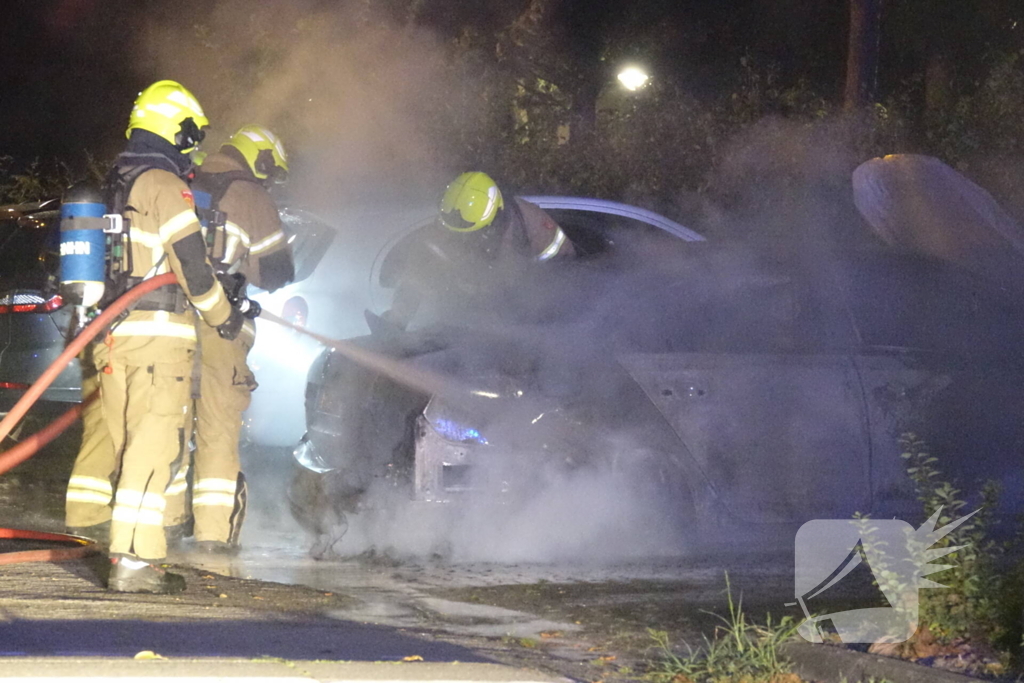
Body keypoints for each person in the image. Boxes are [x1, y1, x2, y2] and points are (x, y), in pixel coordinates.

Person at [65, 79, 240, 593]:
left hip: (114, 337)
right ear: (175, 127)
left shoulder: (117, 181)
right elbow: (192, 266)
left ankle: (130, 551)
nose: (194, 147)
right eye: (192, 134)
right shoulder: (164, 185)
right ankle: (136, 563)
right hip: (157, 340)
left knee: (127, 444)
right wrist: (223, 316)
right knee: (152, 445)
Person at [162, 124, 294, 554]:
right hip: (221, 326)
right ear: (259, 160)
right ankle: (212, 536)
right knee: (218, 426)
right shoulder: (249, 193)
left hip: (169, 319)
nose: (268, 182)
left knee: (170, 423)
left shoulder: (186, 178)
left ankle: (163, 525)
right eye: (270, 173)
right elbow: (276, 272)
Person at [378, 171, 575, 330]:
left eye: (471, 233)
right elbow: (419, 270)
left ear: (492, 219)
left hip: (527, 319)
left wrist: (533, 319)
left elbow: (564, 278)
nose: (463, 238)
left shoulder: (532, 225)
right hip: (474, 319)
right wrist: (398, 317)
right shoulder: (451, 220)